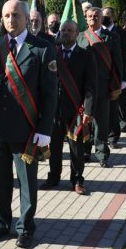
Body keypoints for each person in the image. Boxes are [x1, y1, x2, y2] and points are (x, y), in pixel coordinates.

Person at [0, 0, 57, 249]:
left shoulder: (42, 48)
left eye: (16, 15)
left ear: (26, 18)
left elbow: (50, 94)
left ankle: (25, 228)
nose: (11, 20)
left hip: (27, 130)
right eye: (7, 16)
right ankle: (1, 224)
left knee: (26, 182)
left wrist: (45, 130)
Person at [39, 20, 96, 194]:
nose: (65, 33)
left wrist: (87, 111)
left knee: (76, 148)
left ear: (77, 33)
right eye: (63, 30)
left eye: (69, 30)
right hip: (54, 110)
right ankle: (54, 177)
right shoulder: (51, 54)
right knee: (54, 147)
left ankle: (77, 180)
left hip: (76, 110)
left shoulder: (86, 55)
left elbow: (91, 86)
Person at [78, 7, 123, 168]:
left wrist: (117, 85)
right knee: (85, 121)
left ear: (101, 18)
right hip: (84, 89)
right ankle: (85, 151)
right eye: (90, 16)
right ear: (86, 17)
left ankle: (102, 154)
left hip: (103, 86)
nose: (93, 18)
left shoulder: (111, 37)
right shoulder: (81, 37)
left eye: (96, 16)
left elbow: (117, 64)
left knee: (102, 123)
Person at [102, 7, 126, 149]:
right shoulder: (97, 32)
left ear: (112, 17)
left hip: (114, 78)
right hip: (100, 79)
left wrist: (123, 79)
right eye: (103, 15)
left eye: (107, 16)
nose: (105, 18)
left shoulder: (120, 33)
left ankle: (113, 138)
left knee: (114, 109)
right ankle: (101, 137)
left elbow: (124, 57)